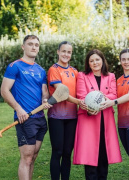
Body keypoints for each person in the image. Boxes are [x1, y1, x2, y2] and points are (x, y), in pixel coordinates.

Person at [0, 35, 52, 180]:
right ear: (23, 47)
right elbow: (4, 91)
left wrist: (45, 100)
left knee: (33, 157)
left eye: (36, 45)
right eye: (30, 44)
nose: (34, 47)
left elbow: (44, 92)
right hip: (25, 118)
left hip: (40, 119)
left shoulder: (41, 70)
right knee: (27, 158)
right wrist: (18, 108)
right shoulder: (15, 66)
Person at [73, 49, 122, 180]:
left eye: (97, 59)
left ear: (102, 61)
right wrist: (89, 107)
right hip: (89, 118)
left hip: (105, 119)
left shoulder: (110, 76)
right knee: (90, 155)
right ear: (88, 63)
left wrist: (99, 99)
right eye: (91, 60)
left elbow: (113, 94)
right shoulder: (82, 75)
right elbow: (81, 95)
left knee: (103, 154)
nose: (95, 63)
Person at [100, 49, 129, 180]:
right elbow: (112, 95)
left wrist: (112, 102)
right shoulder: (119, 80)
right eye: (124, 59)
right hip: (122, 124)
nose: (126, 62)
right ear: (120, 61)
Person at [47, 41, 86, 180]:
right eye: (63, 51)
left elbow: (81, 90)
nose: (66, 54)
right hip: (56, 117)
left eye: (69, 52)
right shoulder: (54, 70)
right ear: (58, 52)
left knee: (67, 152)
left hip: (72, 117)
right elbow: (61, 91)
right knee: (57, 152)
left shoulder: (75, 71)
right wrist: (79, 102)